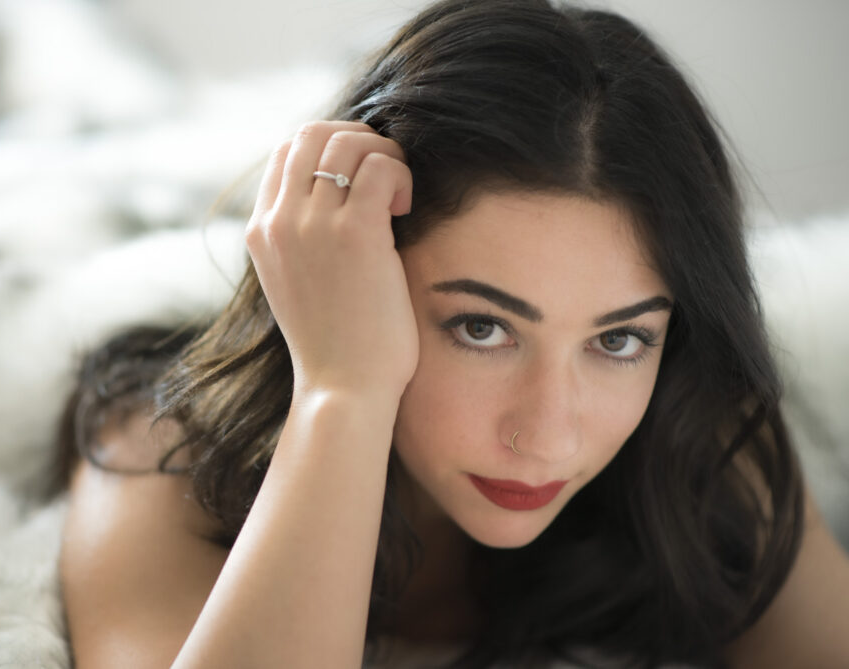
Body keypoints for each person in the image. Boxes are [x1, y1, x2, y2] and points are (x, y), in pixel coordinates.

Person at [57, 0, 849, 666]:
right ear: (354, 278)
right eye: (482, 327)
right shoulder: (163, 454)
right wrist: (342, 389)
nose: (547, 436)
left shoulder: (700, 446)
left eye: (617, 341)